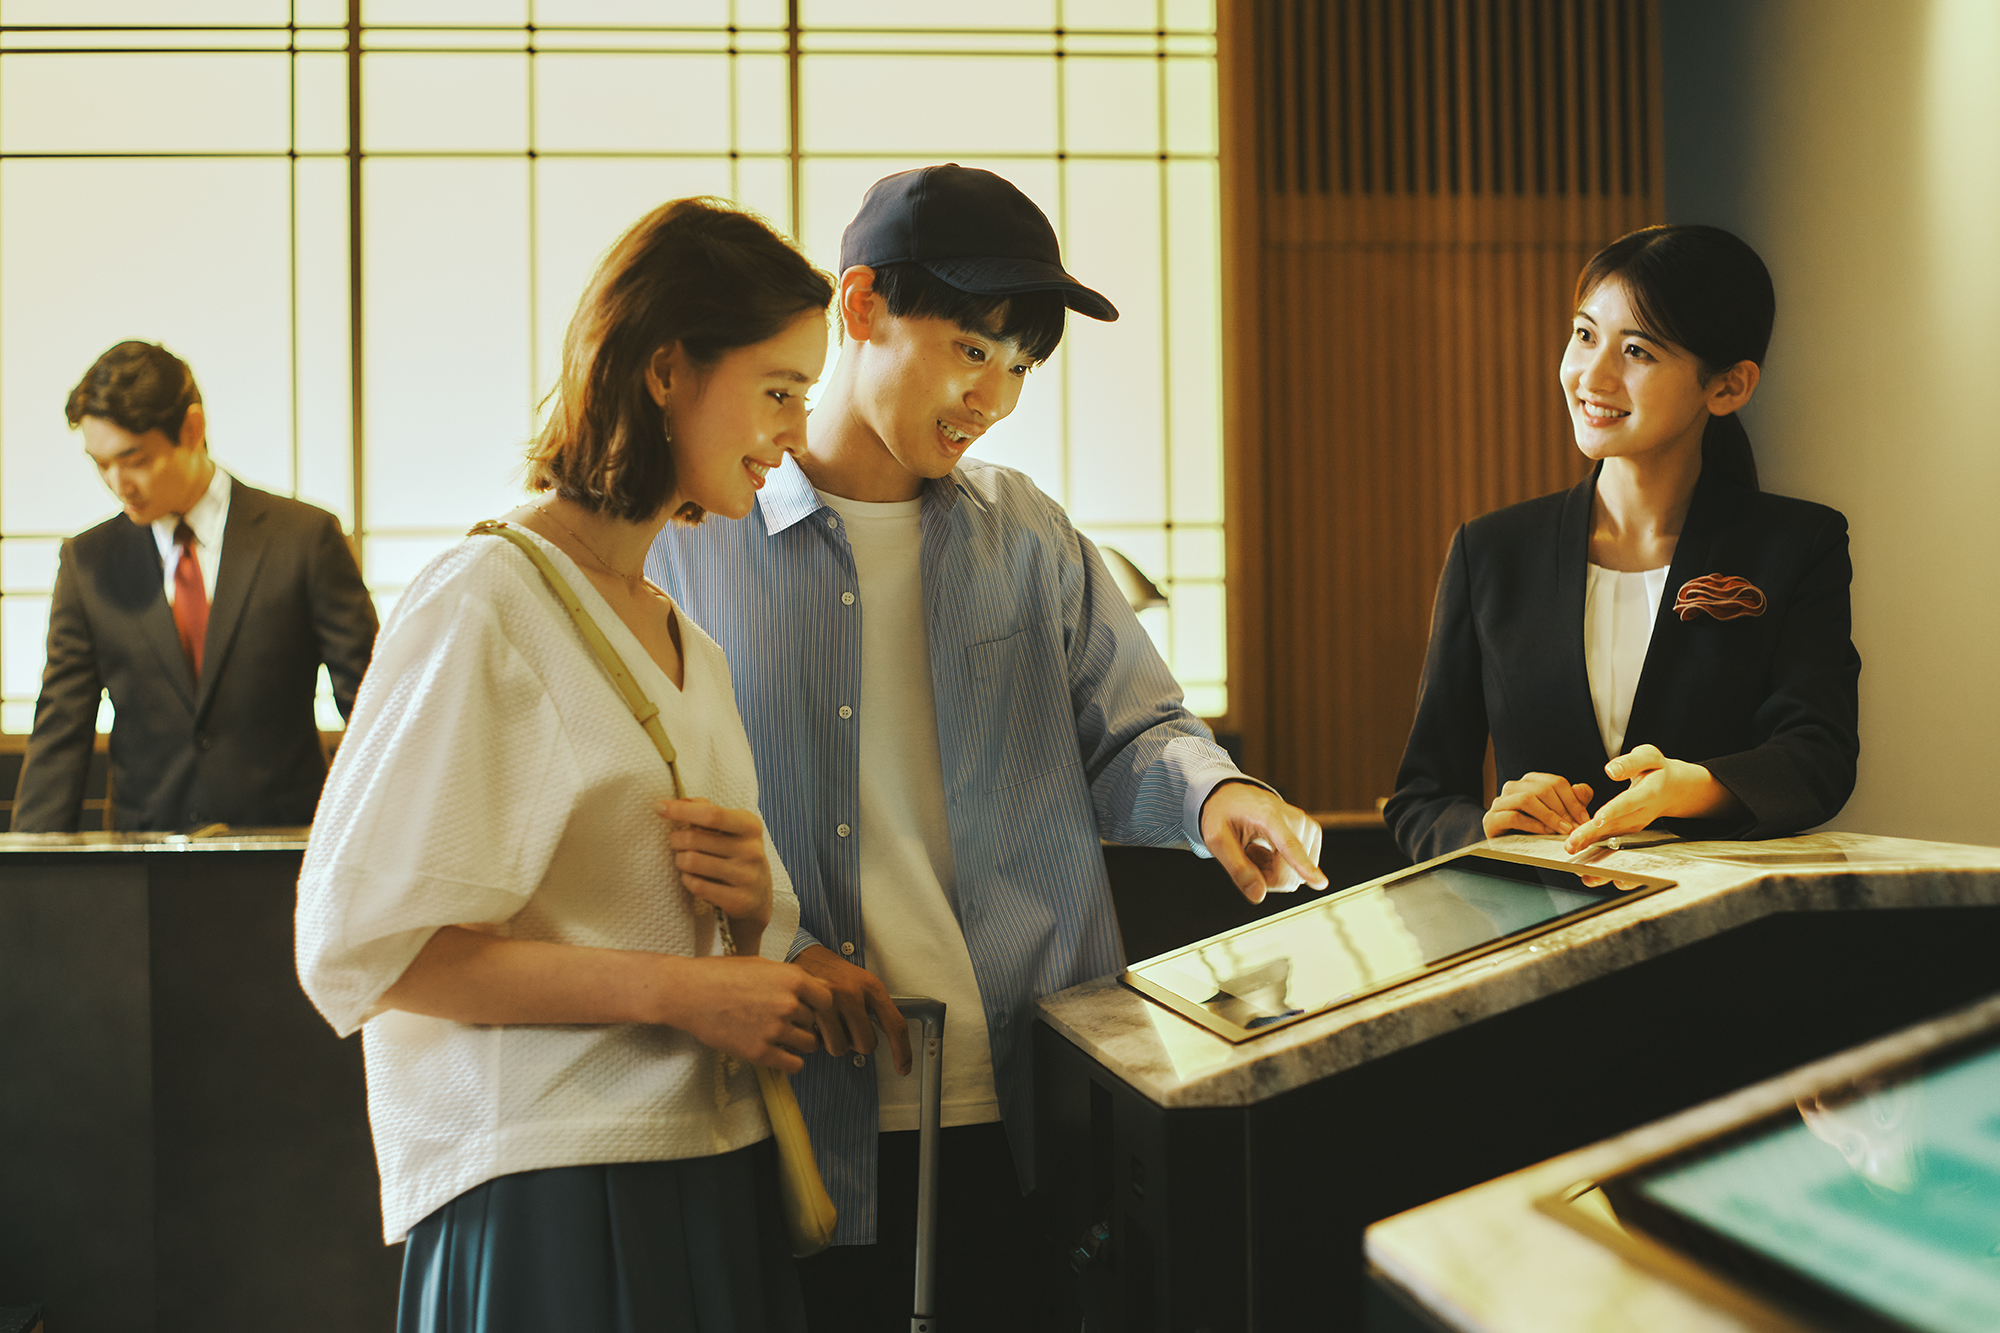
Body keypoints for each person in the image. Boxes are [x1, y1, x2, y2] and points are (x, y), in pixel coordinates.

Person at [647, 163, 1327, 1330]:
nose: (994, 398)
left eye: (1017, 367)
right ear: (857, 307)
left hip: (1032, 1083)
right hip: (801, 1091)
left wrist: (1215, 796)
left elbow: (1137, 729)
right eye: (971, 349)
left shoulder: (1027, 534)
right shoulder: (690, 542)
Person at [295, 199, 842, 1332]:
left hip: (705, 1156)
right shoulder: (481, 600)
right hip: (551, 1178)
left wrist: (756, 908)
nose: (796, 431)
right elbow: (370, 949)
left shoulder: (685, 634)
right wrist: (689, 992)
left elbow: (642, 912)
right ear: (664, 371)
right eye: (778, 388)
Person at [1386, 223, 1861, 865]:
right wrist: (1492, 834)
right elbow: (1423, 798)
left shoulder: (1800, 545)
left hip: (1727, 942)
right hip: (1539, 944)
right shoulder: (1491, 551)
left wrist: (1694, 787)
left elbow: (1818, 757)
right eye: (1585, 335)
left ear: (1728, 386)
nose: (1592, 375)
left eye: (1637, 351)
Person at [14, 341, 378, 832]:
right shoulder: (88, 562)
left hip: (283, 849)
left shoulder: (304, 539)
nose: (118, 483)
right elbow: (61, 728)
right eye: (101, 464)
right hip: (144, 861)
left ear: (192, 428)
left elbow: (371, 705)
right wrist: (28, 883)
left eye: (134, 458)